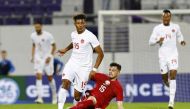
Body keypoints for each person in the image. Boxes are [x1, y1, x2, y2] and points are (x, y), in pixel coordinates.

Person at [57, 14, 104, 109]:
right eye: (78, 23)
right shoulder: (73, 34)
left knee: (77, 96)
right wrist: (65, 49)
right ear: (75, 24)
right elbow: (74, 43)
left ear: (85, 23)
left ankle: (76, 107)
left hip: (84, 68)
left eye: (82, 23)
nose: (80, 25)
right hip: (72, 63)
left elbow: (100, 54)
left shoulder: (90, 36)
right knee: (65, 82)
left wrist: (94, 69)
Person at [149, 9, 186, 109]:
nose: (166, 18)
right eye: (164, 16)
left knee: (173, 75)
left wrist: (181, 41)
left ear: (170, 17)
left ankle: (171, 103)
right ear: (162, 17)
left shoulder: (175, 27)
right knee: (165, 79)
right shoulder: (157, 28)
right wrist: (157, 40)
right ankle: (168, 84)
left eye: (168, 16)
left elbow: (179, 35)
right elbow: (150, 42)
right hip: (162, 56)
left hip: (173, 55)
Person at [31, 21, 57, 104]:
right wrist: (32, 56)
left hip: (47, 57)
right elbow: (34, 45)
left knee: (49, 77)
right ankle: (40, 98)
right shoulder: (33, 35)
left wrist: (50, 56)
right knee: (38, 75)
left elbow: (54, 46)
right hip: (38, 58)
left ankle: (54, 97)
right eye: (36, 27)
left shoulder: (48, 35)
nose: (37, 28)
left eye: (38, 27)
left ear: (41, 26)